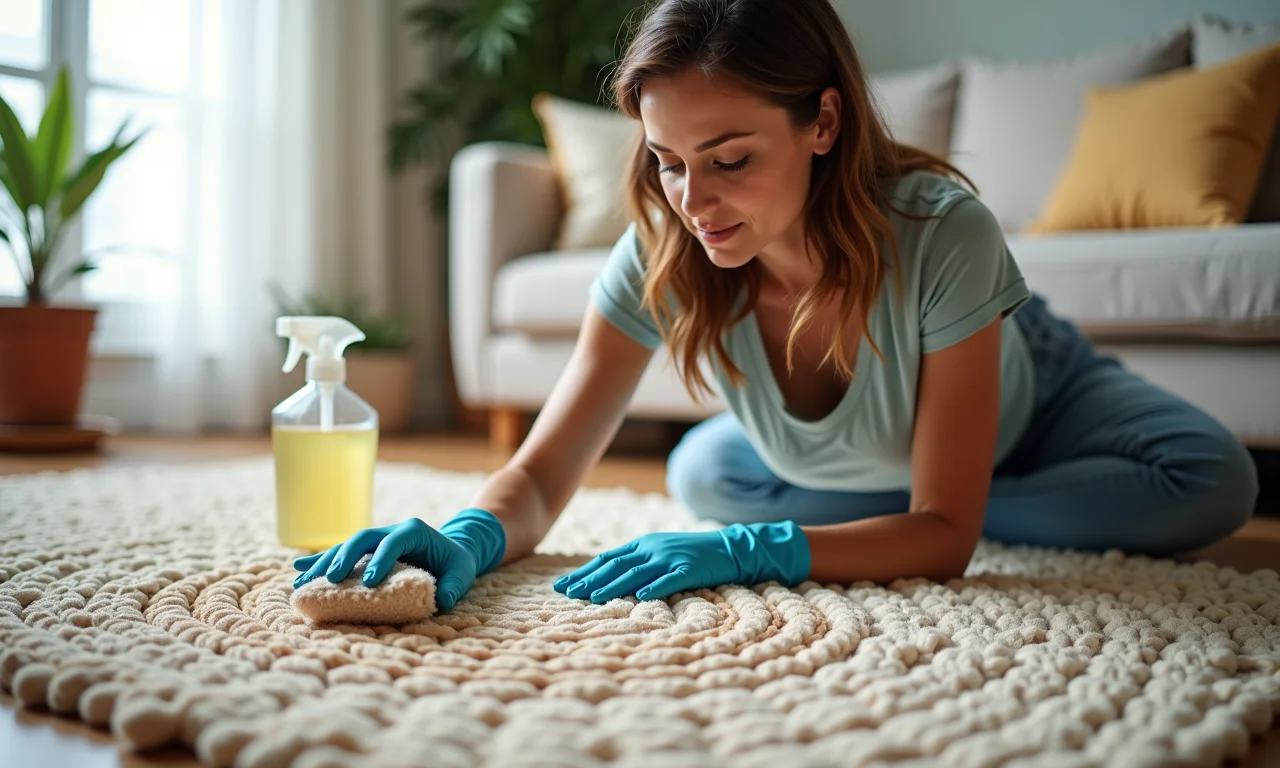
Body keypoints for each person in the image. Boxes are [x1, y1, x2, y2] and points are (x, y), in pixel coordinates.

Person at [293, 0, 1260, 612]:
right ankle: (896, 509)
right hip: (860, 475)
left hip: (1040, 407)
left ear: (823, 123)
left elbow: (951, 550)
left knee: (1211, 481)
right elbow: (543, 476)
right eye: (669, 163)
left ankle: (903, 504)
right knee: (707, 472)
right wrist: (472, 533)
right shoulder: (663, 249)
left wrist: (781, 549)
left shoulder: (942, 233)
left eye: (731, 159)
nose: (694, 201)